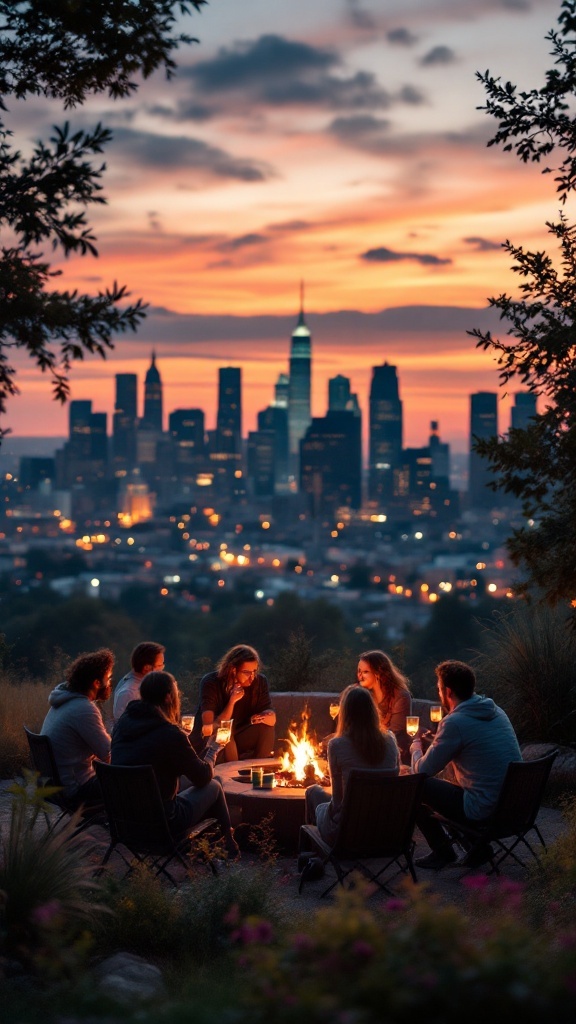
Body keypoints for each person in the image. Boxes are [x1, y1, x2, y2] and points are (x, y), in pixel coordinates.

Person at [111, 669, 240, 858]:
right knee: (215, 784)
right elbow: (203, 777)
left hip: (125, 823)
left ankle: (212, 842)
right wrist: (214, 748)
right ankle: (229, 846)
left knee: (188, 784)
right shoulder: (169, 733)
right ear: (169, 697)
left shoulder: (123, 723)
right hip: (162, 824)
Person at [412, 659, 522, 870]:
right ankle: (477, 847)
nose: (439, 694)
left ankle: (443, 852)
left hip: (484, 811)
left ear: (448, 691)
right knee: (451, 785)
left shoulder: (455, 722)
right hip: (513, 808)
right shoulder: (495, 710)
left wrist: (415, 746)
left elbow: (423, 770)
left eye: (439, 689)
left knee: (417, 785)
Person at [305, 684, 399, 845]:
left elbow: (337, 803)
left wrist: (321, 810)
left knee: (313, 791)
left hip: (347, 833)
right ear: (372, 711)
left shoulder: (337, 744)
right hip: (383, 830)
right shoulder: (390, 740)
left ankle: (312, 858)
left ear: (345, 713)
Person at [41, 648, 114, 810]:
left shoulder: (63, 700)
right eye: (108, 678)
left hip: (53, 785)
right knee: (135, 782)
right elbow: (109, 755)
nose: (109, 683)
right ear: (96, 683)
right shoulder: (83, 709)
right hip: (75, 788)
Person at [190, 644, 276, 762]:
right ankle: (233, 773)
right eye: (246, 672)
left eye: (254, 672)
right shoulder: (211, 682)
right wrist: (232, 701)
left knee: (266, 728)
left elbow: (272, 717)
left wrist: (266, 716)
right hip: (212, 739)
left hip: (239, 735)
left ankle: (259, 770)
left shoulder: (259, 682)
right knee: (226, 732)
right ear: (233, 670)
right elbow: (209, 727)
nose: (252, 677)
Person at [357, 650, 412, 764]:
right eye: (359, 671)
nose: (360, 676)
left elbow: (394, 732)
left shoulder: (400, 696)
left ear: (379, 673)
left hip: (394, 753)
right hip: (367, 748)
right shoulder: (363, 695)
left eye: (365, 672)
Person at [112, 641, 165, 723]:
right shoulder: (130, 692)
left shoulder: (139, 682)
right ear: (146, 668)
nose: (162, 669)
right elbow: (124, 726)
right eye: (159, 665)